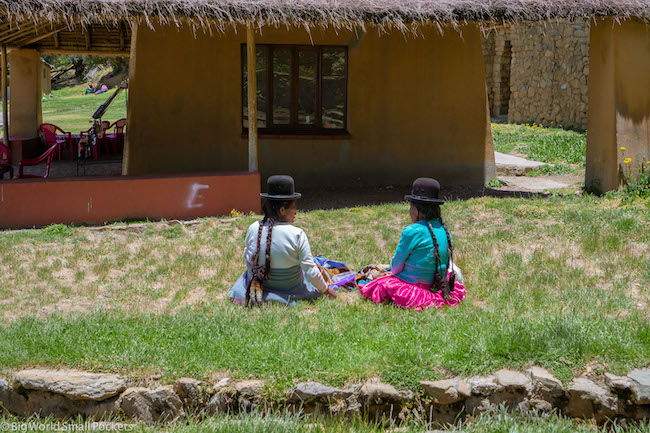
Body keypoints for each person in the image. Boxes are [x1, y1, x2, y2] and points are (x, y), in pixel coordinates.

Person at [229, 175, 338, 306]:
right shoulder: (297, 234)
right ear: (282, 210)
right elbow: (310, 270)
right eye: (293, 207)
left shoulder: (253, 228)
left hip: (262, 285)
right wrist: (326, 290)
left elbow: (248, 260)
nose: (296, 211)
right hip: (290, 288)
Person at [359, 178, 466, 311]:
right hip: (437, 286)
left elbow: (396, 267)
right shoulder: (444, 230)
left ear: (416, 209)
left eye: (410, 206)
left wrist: (388, 273)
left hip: (414, 289)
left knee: (376, 282)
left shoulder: (412, 231)